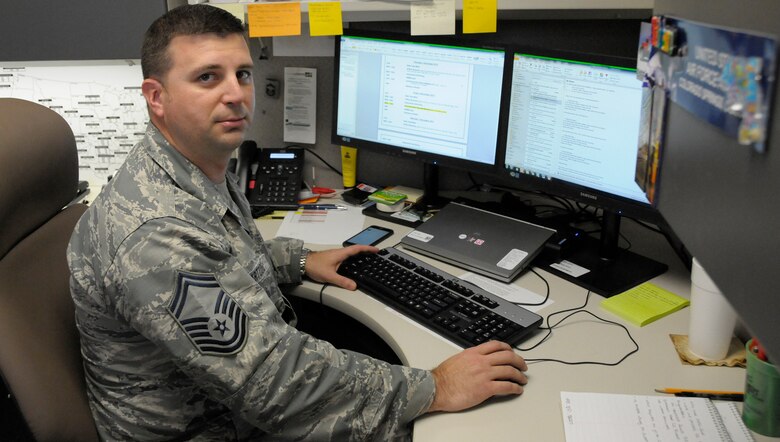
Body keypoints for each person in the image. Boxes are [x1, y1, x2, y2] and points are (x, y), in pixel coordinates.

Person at [67, 4, 529, 440]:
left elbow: (218, 255)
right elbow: (271, 386)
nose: (236, 94)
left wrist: (298, 260)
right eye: (207, 77)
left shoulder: (190, 165)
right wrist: (435, 387)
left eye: (242, 74)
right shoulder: (155, 236)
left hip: (229, 402)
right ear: (157, 97)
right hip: (209, 428)